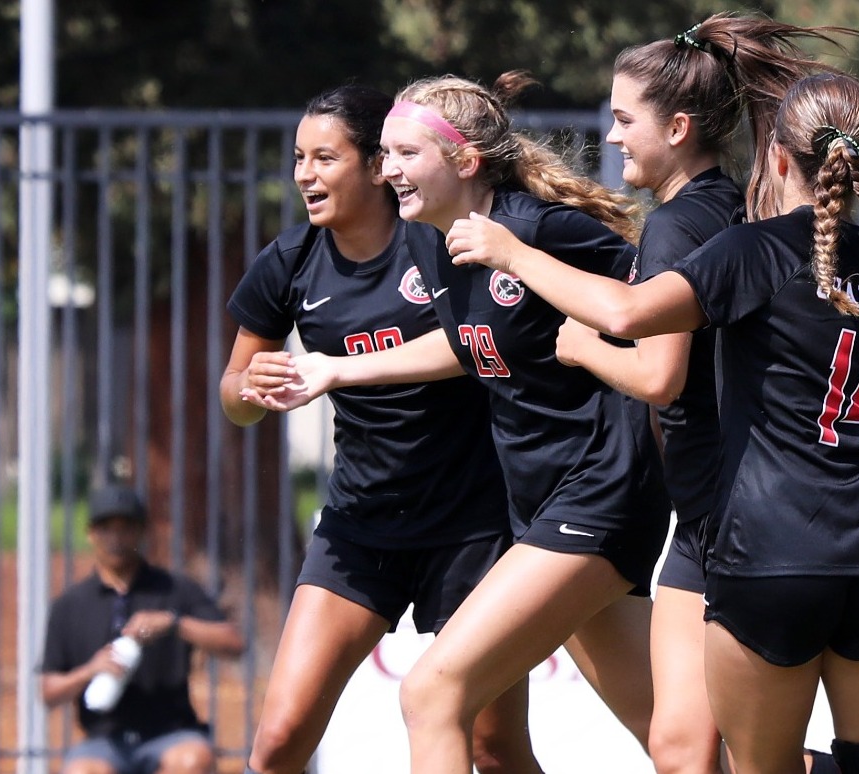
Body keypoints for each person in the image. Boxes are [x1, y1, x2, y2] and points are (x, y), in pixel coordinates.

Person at [444, 71, 859, 774]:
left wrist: (512, 254)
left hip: (769, 553)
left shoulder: (756, 251)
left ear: (780, 157)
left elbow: (628, 314)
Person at [239, 72, 671, 773]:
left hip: (595, 494)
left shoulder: (533, 229)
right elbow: (463, 346)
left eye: (404, 154)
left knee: (433, 697)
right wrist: (333, 370)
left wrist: (595, 341)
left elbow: (662, 298)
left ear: (464, 161)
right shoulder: (444, 248)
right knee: (680, 741)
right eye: (383, 153)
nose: (388, 170)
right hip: (541, 505)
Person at [554, 15, 859, 774]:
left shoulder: (672, 231)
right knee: (690, 745)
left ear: (680, 125)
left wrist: (584, 347)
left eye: (626, 119)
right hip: (719, 509)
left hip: (724, 520)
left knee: (715, 750)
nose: (614, 136)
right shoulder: (734, 205)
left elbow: (660, 376)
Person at [217, 84, 540, 774]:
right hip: (360, 522)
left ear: (375, 166)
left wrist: (338, 369)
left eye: (324, 157)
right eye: (299, 157)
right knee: (276, 743)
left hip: (471, 522)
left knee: (495, 747)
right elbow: (232, 394)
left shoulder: (436, 241)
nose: (305, 173)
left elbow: (477, 343)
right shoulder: (291, 261)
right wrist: (253, 390)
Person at [39, 485, 246, 774]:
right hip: (103, 740)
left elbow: (234, 643)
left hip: (172, 733)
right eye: (106, 529)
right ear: (90, 534)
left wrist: (175, 624)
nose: (116, 538)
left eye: (126, 528)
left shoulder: (175, 590)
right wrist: (91, 670)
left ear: (142, 533)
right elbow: (48, 692)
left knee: (192, 760)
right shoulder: (69, 605)